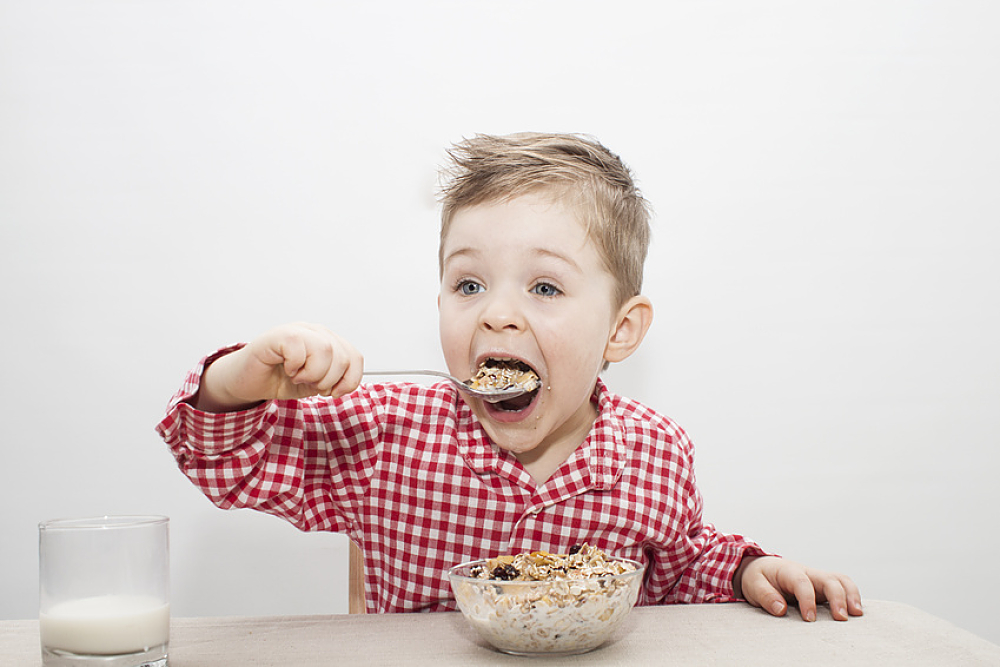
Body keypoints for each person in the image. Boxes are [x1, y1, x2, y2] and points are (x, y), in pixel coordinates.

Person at [156, 132, 863, 621]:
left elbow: (677, 569)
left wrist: (745, 572)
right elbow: (225, 459)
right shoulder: (385, 430)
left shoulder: (655, 450)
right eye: (468, 284)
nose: (495, 314)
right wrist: (246, 373)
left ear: (621, 328)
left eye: (545, 288)